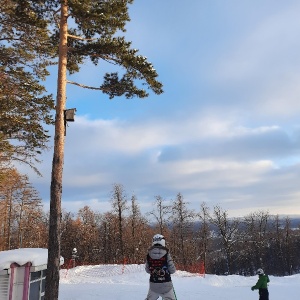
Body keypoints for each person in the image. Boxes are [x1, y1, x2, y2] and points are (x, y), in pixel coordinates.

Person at [145, 234, 176, 300]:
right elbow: (172, 270)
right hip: (166, 284)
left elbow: (147, 270)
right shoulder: (166, 254)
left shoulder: (149, 254)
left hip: (153, 284)